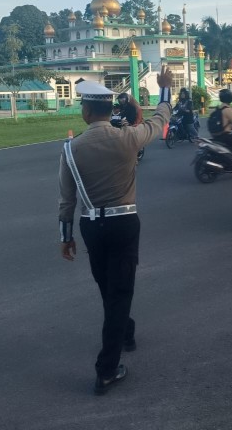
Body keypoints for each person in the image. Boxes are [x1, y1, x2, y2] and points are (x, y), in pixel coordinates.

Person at [58, 66, 173, 395]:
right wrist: (164, 90)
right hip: (124, 223)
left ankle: (125, 332)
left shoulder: (70, 148)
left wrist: (65, 238)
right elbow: (160, 119)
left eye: (82, 106)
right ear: (109, 110)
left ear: (88, 110)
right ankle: (107, 369)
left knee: (109, 286)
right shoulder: (129, 137)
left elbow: (66, 199)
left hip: (90, 226)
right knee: (119, 291)